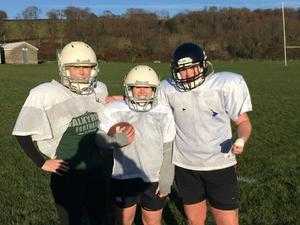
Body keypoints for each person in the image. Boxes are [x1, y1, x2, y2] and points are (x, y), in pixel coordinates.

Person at [12, 41, 134, 225]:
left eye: (87, 67)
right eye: (77, 67)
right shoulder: (45, 93)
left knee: (100, 217)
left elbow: (99, 107)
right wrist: (42, 162)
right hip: (68, 173)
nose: (83, 72)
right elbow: (21, 132)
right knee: (72, 220)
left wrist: (116, 100)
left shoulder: (98, 88)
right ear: (65, 68)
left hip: (96, 169)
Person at [158, 42, 252, 225]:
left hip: (219, 164)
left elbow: (243, 122)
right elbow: (144, 100)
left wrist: (241, 139)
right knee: (194, 221)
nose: (188, 74)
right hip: (185, 165)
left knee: (227, 221)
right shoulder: (168, 89)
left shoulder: (223, 85)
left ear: (202, 65)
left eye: (192, 68)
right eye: (182, 70)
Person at [100, 65, 176, 225]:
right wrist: (114, 141)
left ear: (154, 89)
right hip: (123, 175)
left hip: (153, 177)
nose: (142, 91)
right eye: (137, 87)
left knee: (152, 222)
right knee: (123, 221)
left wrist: (166, 177)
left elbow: (168, 147)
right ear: (129, 88)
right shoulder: (114, 109)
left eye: (147, 87)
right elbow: (98, 140)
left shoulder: (163, 111)